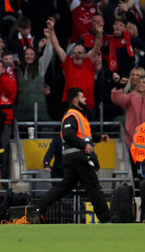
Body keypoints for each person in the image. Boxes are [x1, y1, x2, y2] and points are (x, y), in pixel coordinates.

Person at [35, 87, 111, 223]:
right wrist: (84, 145)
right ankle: (106, 219)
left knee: (65, 186)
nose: (85, 99)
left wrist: (100, 137)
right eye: (82, 97)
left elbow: (86, 135)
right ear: (76, 100)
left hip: (75, 158)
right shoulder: (72, 115)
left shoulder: (79, 115)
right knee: (93, 187)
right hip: (79, 157)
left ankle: (39, 207)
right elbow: (68, 134)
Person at [112, 77, 145, 152]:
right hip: (132, 135)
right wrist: (119, 86)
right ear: (136, 85)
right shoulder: (130, 97)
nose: (141, 84)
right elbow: (118, 99)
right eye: (139, 82)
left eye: (144, 82)